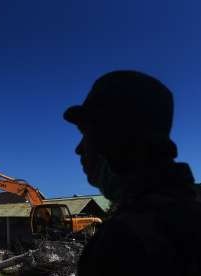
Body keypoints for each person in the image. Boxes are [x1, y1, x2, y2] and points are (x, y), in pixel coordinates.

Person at [63, 70, 201, 276]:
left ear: (113, 137)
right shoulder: (189, 217)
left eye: (86, 134)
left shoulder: (121, 242)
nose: (79, 149)